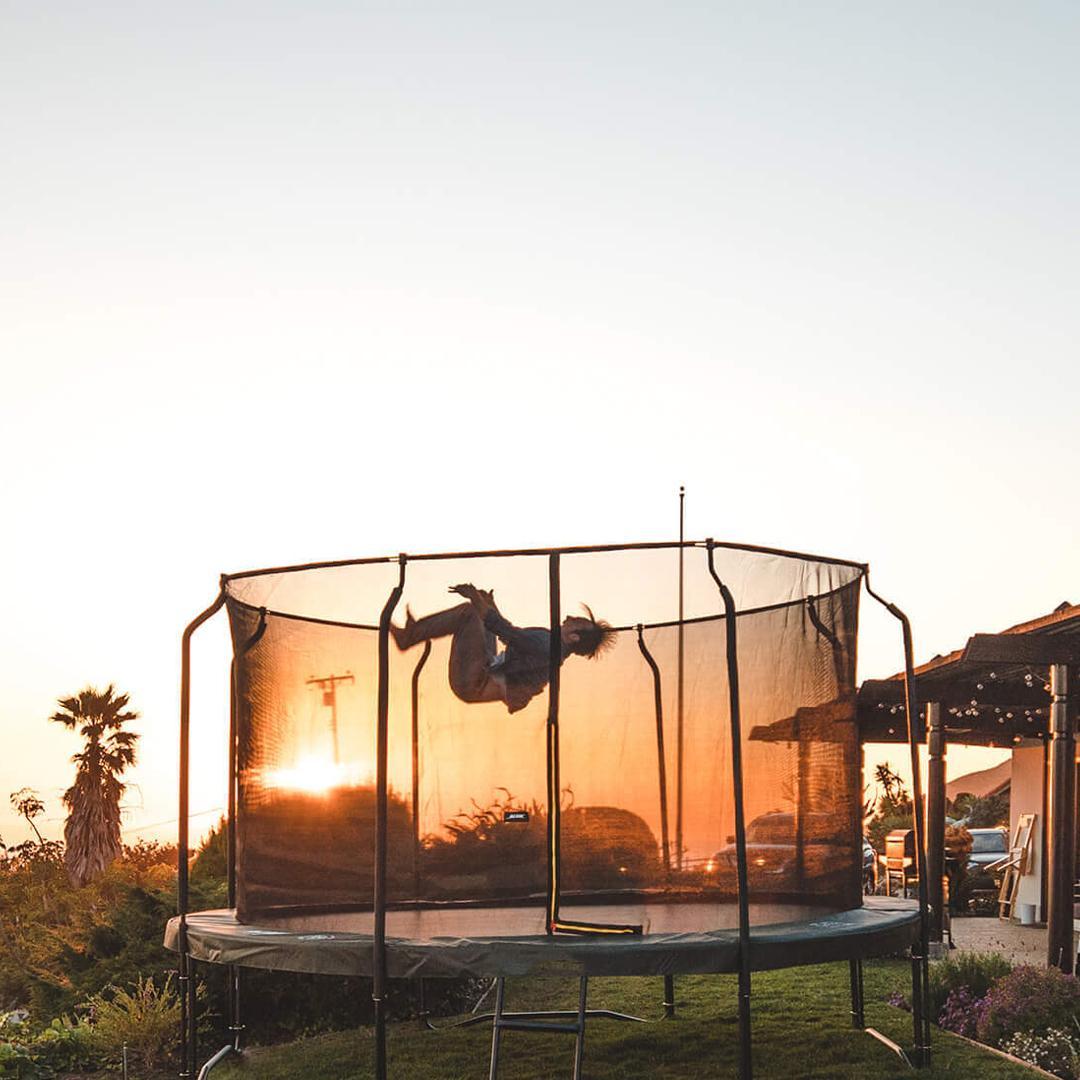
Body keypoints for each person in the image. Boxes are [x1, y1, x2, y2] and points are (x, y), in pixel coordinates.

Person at [391, 583, 616, 713]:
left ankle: (409, 637)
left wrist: (476, 600)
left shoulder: (548, 645)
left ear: (574, 637)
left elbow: (505, 631)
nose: (568, 616)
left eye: (576, 620)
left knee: (471, 612)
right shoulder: (551, 646)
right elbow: (510, 636)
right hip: (487, 669)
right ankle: (415, 632)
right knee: (480, 614)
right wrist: (490, 605)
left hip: (474, 683)